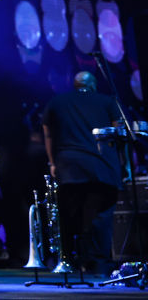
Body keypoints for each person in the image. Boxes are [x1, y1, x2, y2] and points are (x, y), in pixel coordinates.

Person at [42, 70, 123, 276]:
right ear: (93, 85)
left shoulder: (57, 102)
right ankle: (98, 265)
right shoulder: (107, 101)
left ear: (74, 84)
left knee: (69, 216)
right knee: (100, 217)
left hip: (69, 166)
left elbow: (48, 134)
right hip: (102, 167)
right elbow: (118, 134)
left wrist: (52, 163)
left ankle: (70, 262)